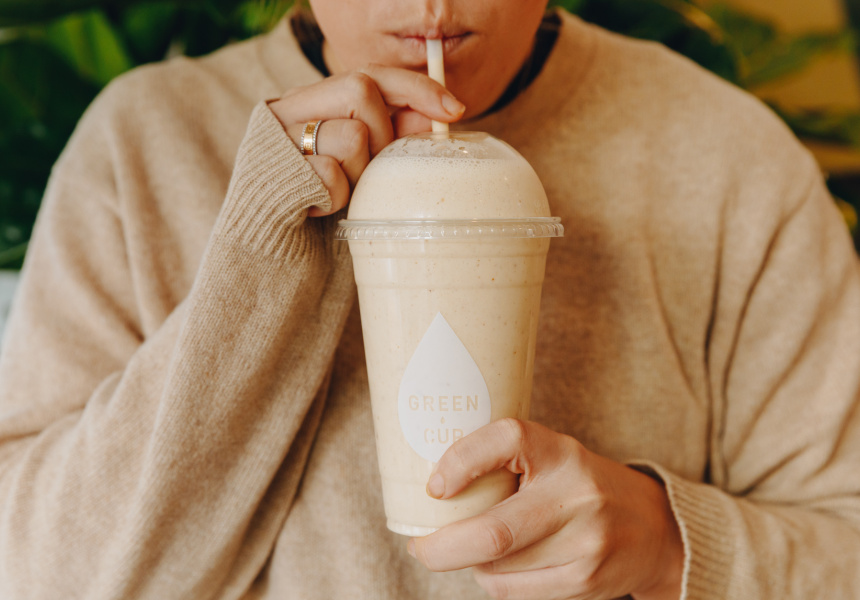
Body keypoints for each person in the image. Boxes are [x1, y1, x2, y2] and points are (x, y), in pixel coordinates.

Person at [0, 0, 858, 598]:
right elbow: (36, 574)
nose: (432, 4)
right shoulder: (145, 142)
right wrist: (258, 252)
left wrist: (667, 544)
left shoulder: (726, 156)